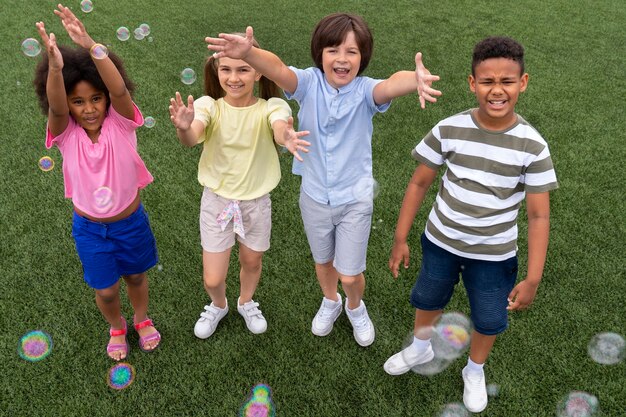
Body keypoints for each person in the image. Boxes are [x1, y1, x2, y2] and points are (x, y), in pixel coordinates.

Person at [206, 13, 441, 347]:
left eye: (352, 52)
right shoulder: (308, 83)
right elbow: (277, 69)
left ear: (363, 58)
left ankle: (355, 306)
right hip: (314, 197)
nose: (342, 59)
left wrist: (413, 79)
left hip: (354, 200)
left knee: (350, 272)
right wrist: (248, 54)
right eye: (333, 50)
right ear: (320, 54)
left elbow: (391, 83)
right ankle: (330, 301)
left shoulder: (366, 91)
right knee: (324, 262)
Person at [384, 36, 558, 412]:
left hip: (494, 256)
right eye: (487, 81)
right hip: (440, 241)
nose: (497, 90)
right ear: (472, 83)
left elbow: (539, 214)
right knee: (427, 298)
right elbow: (418, 183)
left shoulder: (532, 145)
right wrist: (401, 237)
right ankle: (419, 347)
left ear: (523, 83)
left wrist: (534, 277)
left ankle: (474, 370)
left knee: (489, 318)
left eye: (507, 81)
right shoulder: (449, 128)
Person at [33, 5, 161, 361]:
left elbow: (119, 90)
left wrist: (90, 44)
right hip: (90, 229)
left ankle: (140, 318)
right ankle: (117, 325)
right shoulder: (65, 134)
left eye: (95, 98)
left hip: (130, 222)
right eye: (78, 101)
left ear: (105, 99)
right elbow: (56, 109)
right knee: (105, 291)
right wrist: (56, 68)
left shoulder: (121, 122)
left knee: (136, 278)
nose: (88, 108)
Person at [169, 35, 310, 339]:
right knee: (212, 277)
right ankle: (218, 304)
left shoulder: (272, 105)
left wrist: (286, 137)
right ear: (216, 71)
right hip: (217, 202)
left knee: (252, 260)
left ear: (259, 71)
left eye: (244, 69)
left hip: (256, 203)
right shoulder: (209, 106)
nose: (234, 78)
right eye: (226, 70)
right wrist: (184, 128)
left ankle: (245, 301)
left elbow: (279, 126)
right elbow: (193, 136)